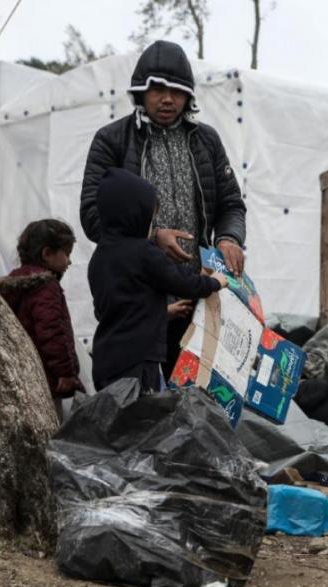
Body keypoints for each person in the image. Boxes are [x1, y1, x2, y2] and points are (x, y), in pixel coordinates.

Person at [79, 39, 246, 379]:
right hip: (142, 303)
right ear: (140, 92)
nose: (167, 99)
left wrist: (229, 237)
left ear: (188, 95)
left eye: (177, 90)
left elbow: (230, 203)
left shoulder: (206, 140)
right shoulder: (112, 140)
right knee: (145, 407)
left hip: (199, 294)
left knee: (201, 400)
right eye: (157, 89)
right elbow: (93, 216)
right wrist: (153, 238)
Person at [88, 168, 228, 392]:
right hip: (139, 361)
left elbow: (115, 309)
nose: (152, 227)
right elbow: (180, 281)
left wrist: (163, 312)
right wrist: (215, 282)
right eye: (151, 220)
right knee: (145, 421)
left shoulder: (99, 258)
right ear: (133, 216)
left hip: (107, 360)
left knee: (118, 423)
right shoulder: (143, 252)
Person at [0, 219, 83, 421]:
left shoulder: (13, 285)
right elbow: (51, 330)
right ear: (47, 254)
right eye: (67, 254)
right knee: (51, 431)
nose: (70, 262)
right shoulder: (45, 286)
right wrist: (65, 373)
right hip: (47, 380)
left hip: (20, 381)